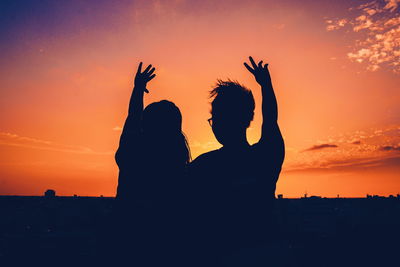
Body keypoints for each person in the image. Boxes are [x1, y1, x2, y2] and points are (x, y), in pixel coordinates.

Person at [189, 56, 285, 264]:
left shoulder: (204, 166)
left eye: (216, 117)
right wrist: (266, 86)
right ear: (249, 118)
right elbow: (270, 120)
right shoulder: (265, 157)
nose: (214, 124)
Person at [110, 62, 191, 266]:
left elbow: (132, 117)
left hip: (127, 240)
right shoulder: (178, 162)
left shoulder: (132, 154)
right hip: (168, 245)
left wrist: (138, 89)